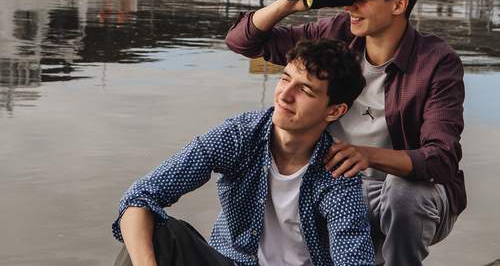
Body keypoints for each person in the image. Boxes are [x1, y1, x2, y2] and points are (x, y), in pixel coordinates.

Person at [225, 0, 466, 266]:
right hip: (340, 187)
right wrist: (287, 4)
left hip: (410, 194)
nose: (350, 7)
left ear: (399, 5)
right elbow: (241, 41)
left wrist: (365, 156)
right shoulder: (336, 34)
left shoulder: (436, 62)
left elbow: (440, 159)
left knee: (404, 193)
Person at [112, 39, 375, 266]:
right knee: (160, 234)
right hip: (229, 262)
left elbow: (353, 260)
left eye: (304, 90)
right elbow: (140, 197)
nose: (285, 95)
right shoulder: (239, 136)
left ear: (334, 111)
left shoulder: (337, 172)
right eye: (285, 78)